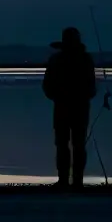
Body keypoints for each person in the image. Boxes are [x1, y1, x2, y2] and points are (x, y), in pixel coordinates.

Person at [43, 27, 96, 189]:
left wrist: (58, 97)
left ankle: (66, 181)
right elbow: (91, 88)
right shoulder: (85, 59)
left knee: (65, 144)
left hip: (65, 108)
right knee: (75, 144)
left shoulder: (57, 60)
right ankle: (74, 181)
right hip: (75, 108)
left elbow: (47, 86)